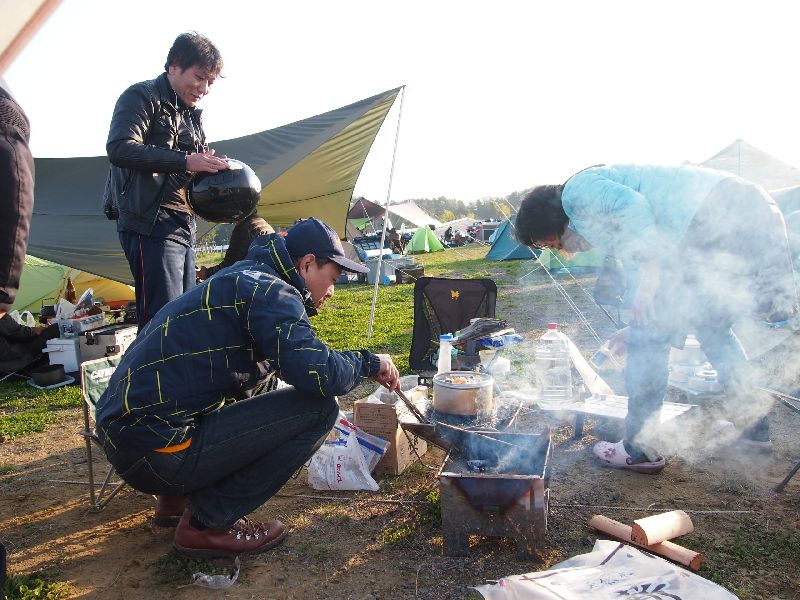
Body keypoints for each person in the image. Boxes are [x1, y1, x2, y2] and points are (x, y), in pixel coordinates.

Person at [95, 217, 400, 557]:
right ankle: (206, 524)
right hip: (158, 452)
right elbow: (319, 374)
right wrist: (369, 362)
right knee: (319, 410)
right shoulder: (274, 292)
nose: (331, 291)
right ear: (307, 264)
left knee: (251, 388)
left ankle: (176, 500)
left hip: (126, 440)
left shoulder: (240, 277)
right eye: (332, 278)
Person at [516, 164, 798, 473]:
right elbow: (669, 299)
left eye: (544, 241)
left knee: (650, 341)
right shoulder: (600, 215)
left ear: (547, 220)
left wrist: (649, 289)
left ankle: (640, 448)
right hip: (743, 211)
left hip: (717, 216)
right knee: (713, 329)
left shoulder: (576, 192)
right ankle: (753, 430)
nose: (552, 248)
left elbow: (633, 207)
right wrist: (638, 324)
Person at [105, 32, 229, 328]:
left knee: (183, 318)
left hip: (183, 224)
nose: (204, 89)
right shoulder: (141, 96)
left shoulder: (191, 116)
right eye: (199, 77)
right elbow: (119, 147)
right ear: (174, 65)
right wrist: (186, 160)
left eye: (210, 82)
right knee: (162, 321)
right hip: (150, 222)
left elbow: (186, 165)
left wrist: (208, 166)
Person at [196, 213, 274, 282]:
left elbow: (230, 266)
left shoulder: (244, 228)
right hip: (268, 278)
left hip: (256, 282)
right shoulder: (261, 222)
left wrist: (206, 273)